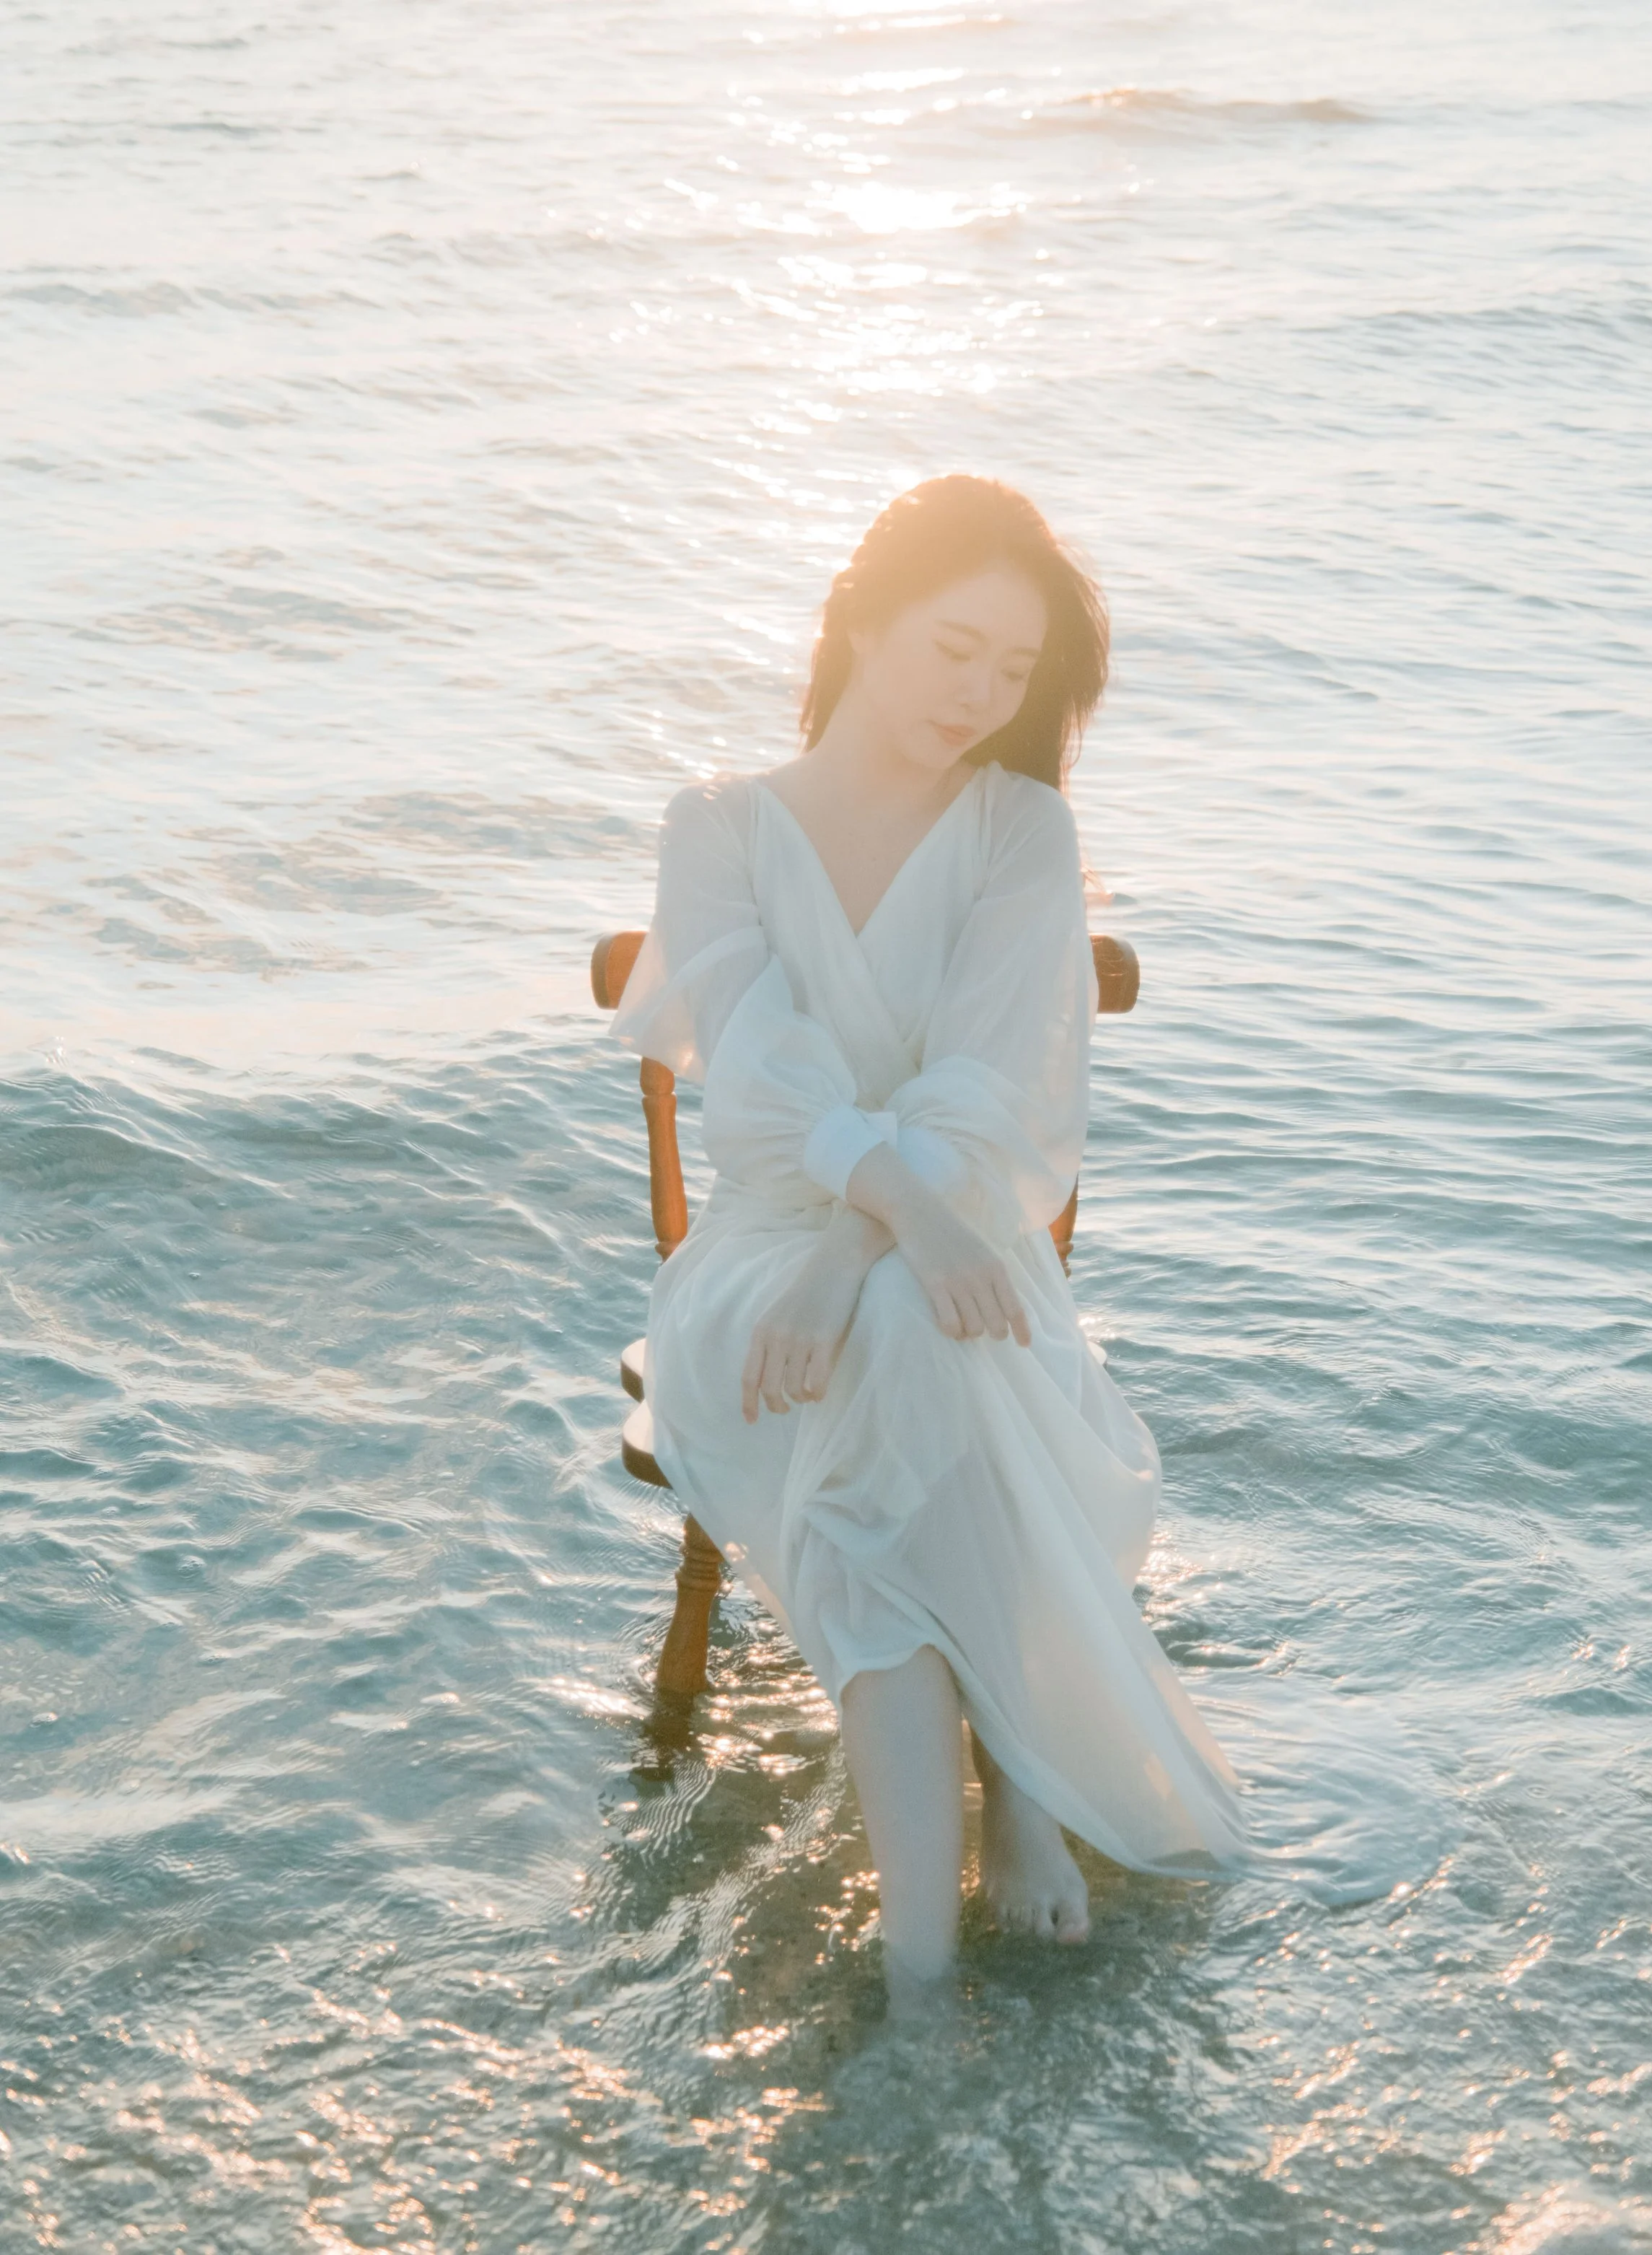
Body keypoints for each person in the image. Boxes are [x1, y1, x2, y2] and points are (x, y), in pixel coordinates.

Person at [612, 476, 1247, 2015]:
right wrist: (856, 1231)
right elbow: (759, 1086)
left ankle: (922, 1949)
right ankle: (983, 1828)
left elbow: (984, 1092)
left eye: (1013, 673)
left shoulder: (1019, 829)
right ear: (860, 617)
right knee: (895, 1328)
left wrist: (877, 1238)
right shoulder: (718, 825)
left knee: (902, 1325)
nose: (980, 695)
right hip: (764, 1260)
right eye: (955, 648)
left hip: (953, 1245)